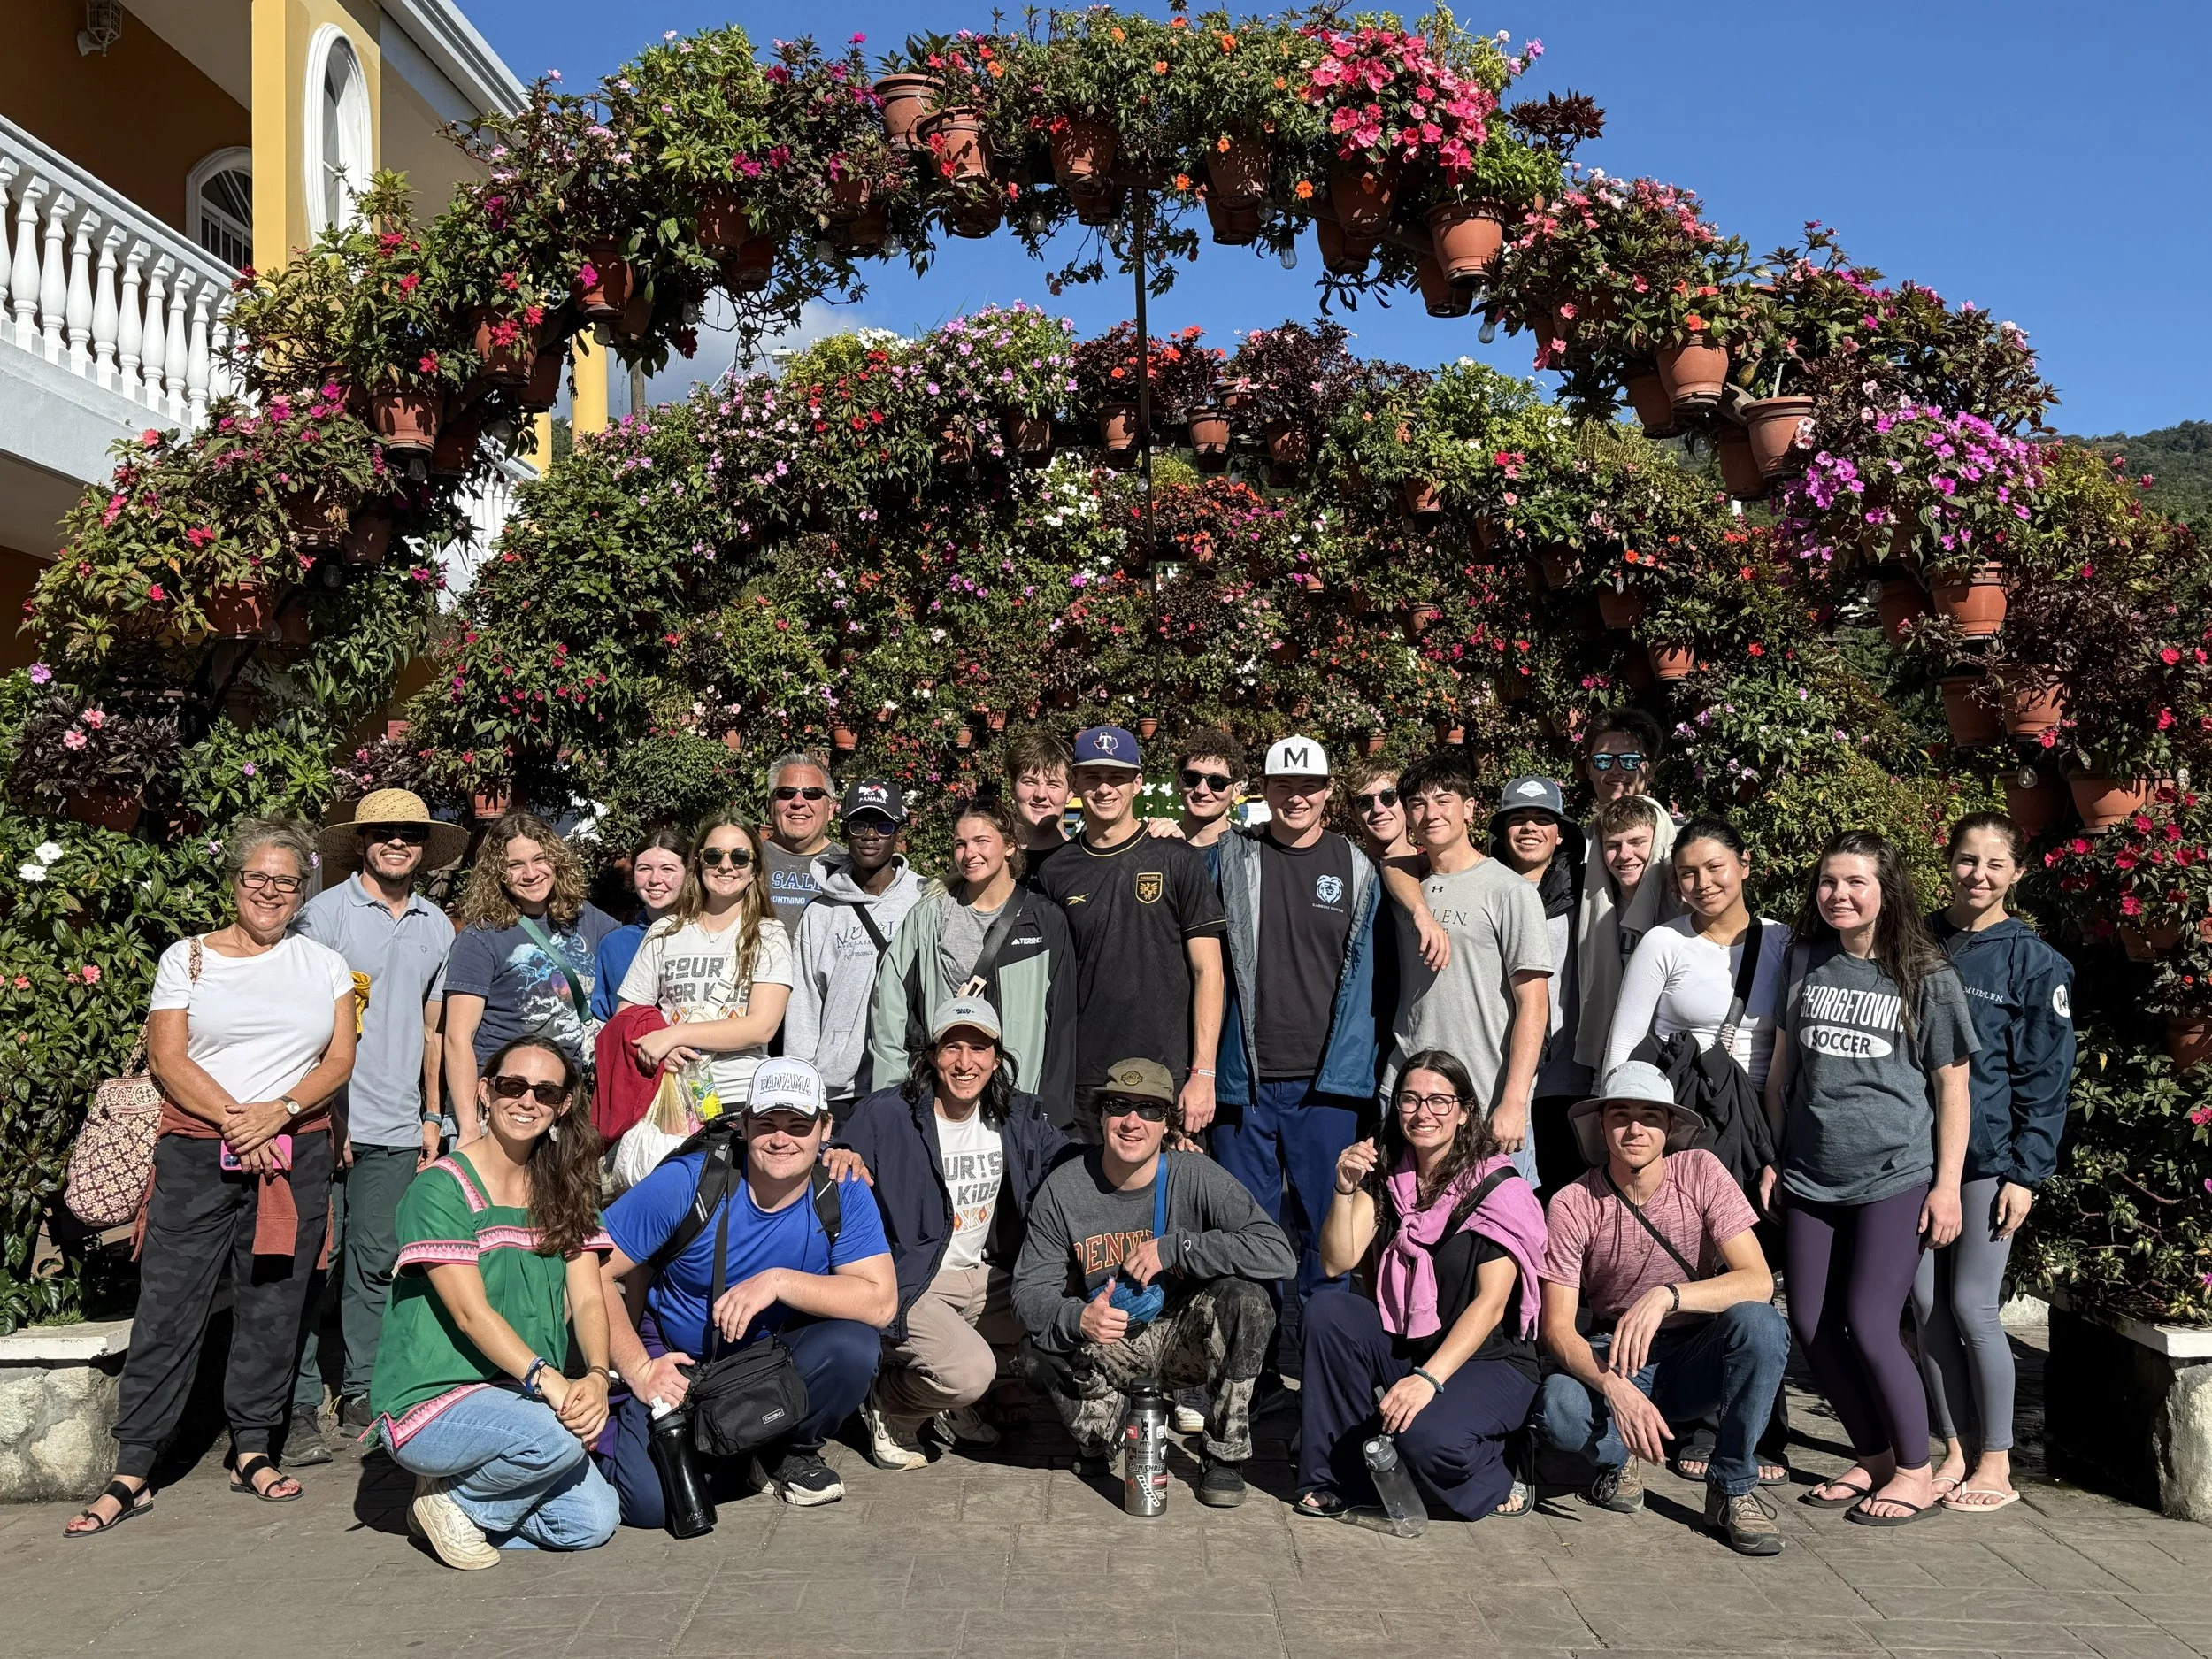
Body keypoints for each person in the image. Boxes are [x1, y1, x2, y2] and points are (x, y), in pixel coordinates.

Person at [66, 818, 357, 1536]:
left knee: (274, 1302)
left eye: (284, 881)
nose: (268, 891)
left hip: (295, 1151)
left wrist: (281, 1112)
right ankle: (134, 1466)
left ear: (300, 891)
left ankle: (252, 1448)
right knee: (171, 1301)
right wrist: (240, 1122)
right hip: (200, 1151)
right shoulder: (186, 958)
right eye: (256, 877)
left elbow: (338, 1061)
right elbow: (168, 1059)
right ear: (234, 882)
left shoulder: (325, 964)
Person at [1765, 830, 1977, 1526]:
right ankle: (1877, 1454)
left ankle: (1918, 1470)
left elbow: (1952, 1088)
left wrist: (1947, 1186)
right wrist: (1774, 1154)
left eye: (1855, 881)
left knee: (1870, 1321)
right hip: (1809, 1175)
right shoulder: (1804, 960)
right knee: (1810, 1322)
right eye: (1829, 882)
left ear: (1887, 888)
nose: (1839, 895)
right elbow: (1780, 1073)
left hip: (1896, 1174)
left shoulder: (1925, 974)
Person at [598, 1058, 896, 1516]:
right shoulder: (689, 1182)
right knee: (652, 1507)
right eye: (767, 1124)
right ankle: (738, 1452)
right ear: (742, 1124)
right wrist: (639, 1369)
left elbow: (880, 1303)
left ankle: (788, 1451)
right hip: (683, 1366)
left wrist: (777, 1282)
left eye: (799, 1124)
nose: (782, 1139)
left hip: (773, 1361)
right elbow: (588, 1268)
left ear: (826, 1128)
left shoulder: (842, 1188)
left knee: (854, 1344)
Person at [369, 1038, 619, 1568]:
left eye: (545, 1092)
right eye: (512, 1086)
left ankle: (455, 1508)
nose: (527, 1101)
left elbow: (589, 1300)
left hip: (521, 1395)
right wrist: (552, 1381)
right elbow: (469, 1314)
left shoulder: (566, 1186)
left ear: (564, 1105)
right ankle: (461, 1498)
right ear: (485, 1091)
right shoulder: (440, 1188)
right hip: (436, 1400)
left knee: (594, 1520)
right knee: (558, 1436)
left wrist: (597, 1374)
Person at [1534, 1062, 1791, 1555]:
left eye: (1650, 1116)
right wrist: (1615, 1388)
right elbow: (1557, 1330)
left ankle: (1732, 1487)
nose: (1635, 1129)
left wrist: (1668, 1295)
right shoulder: (1573, 1202)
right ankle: (1619, 1456)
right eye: (1620, 1115)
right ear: (1601, 1124)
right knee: (1558, 1408)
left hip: (1696, 1350)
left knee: (1760, 1325)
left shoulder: (1701, 1171)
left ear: (1670, 1127)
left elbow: (1758, 1282)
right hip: (1618, 1355)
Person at [1012, 1059, 1294, 1507]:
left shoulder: (1194, 1175)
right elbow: (1028, 1293)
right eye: (1120, 1105)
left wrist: (1177, 1250)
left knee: (1249, 1300)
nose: (1132, 1121)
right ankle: (1107, 1429)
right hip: (1108, 1343)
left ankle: (1224, 1456)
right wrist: (1078, 1317)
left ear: (1168, 1124)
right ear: (1101, 1114)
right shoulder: (1063, 1188)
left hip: (1186, 1338)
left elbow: (1277, 1252)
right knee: (1035, 1353)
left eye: (1150, 1110)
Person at [286, 789, 465, 1460]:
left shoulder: (436, 925)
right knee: (309, 1262)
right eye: (385, 832)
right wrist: (313, 1109)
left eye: (410, 834)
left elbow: (434, 1027)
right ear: (361, 841)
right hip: (317, 1119)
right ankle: (301, 1402)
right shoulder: (322, 915)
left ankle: (362, 1386)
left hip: (396, 1121)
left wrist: (431, 1113)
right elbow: (299, 1021)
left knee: (375, 1262)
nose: (398, 842)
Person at [1297, 1050, 1545, 1525]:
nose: (1423, 1113)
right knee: (1328, 1313)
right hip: (1413, 1339)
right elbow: (1336, 1260)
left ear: (1465, 1111)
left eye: (1438, 1101)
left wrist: (1427, 1380)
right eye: (1410, 1100)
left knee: (1425, 1439)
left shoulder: (1497, 1188)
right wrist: (1344, 1188)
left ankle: (1502, 1469)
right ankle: (1338, 1478)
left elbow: (1492, 1305)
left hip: (1490, 1358)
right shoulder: (1391, 1171)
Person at [1914, 812, 2075, 1514]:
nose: (1977, 874)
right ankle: (1953, 1446)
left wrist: (2025, 1173)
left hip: (1987, 1162)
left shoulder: (2035, 963)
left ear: (2016, 874)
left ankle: (1998, 1459)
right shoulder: (1914, 939)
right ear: (1947, 862)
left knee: (1972, 1305)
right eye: (1966, 860)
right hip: (1907, 1157)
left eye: (1993, 864)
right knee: (1920, 1306)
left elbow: (2047, 1076)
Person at [835, 997, 1070, 1469]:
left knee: (1059, 1309)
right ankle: (894, 1403)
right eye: (952, 1047)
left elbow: (1074, 1164)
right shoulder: (885, 1116)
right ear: (930, 1055)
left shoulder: (1016, 1117)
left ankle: (950, 1399)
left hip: (980, 1278)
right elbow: (836, 1153)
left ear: (997, 1058)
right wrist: (839, 1151)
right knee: (970, 1371)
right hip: (909, 1279)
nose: (966, 1062)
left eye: (979, 1048)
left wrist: (1149, 1152)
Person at [1210, 737, 1381, 1326]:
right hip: (1244, 1084)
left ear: (1329, 791)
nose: (1296, 796)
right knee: (1247, 1236)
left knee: (1326, 1237)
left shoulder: (1358, 869)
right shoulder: (1230, 858)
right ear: (1264, 787)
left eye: (1309, 785)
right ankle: (1252, 1381)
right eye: (1284, 784)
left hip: (1327, 1086)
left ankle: (1323, 1380)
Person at [1034, 725, 1228, 1131]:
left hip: (1165, 1075)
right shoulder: (1055, 871)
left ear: (1137, 783)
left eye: (1117, 777)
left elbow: (1209, 971)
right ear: (1075, 783)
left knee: (1164, 1191)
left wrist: (1203, 1074)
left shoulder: (1176, 857)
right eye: (1092, 776)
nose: (1105, 789)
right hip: (1084, 1075)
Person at [1380, 751, 1551, 1185]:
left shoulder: (1510, 891)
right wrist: (1421, 912)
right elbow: (1392, 865)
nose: (1430, 813)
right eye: (1418, 804)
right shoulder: (1409, 882)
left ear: (1470, 808)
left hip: (1484, 1099)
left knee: (1493, 1240)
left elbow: (1533, 1004)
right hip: (1409, 1098)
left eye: (1444, 800)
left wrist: (1514, 1102)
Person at [869, 795, 1078, 1119]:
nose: (969, 854)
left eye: (982, 841)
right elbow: (890, 1005)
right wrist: (891, 1098)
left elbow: (1061, 1024)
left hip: (1016, 1100)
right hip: (944, 1097)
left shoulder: (1044, 919)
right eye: (960, 843)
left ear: (1010, 846)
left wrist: (1051, 1113)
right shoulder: (930, 915)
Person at [1603, 818, 1791, 1141]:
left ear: (1744, 864)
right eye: (1687, 873)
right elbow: (1624, 1041)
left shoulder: (1784, 942)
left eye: (1715, 867)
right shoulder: (1663, 941)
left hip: (1756, 1119)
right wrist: (1616, 1121)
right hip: (1681, 1114)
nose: (1703, 883)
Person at [442, 813, 619, 1141]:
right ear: (498, 872)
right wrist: (468, 1125)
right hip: (503, 1103)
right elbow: (457, 1038)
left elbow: (639, 953)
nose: (531, 873)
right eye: (515, 865)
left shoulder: (587, 920)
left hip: (564, 1104)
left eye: (540, 859)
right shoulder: (482, 937)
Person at [617, 811, 795, 1119]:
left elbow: (762, 1027)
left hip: (738, 1098)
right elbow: (629, 1014)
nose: (726, 866)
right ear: (698, 863)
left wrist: (674, 1036)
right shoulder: (664, 932)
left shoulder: (769, 935)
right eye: (714, 856)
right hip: (667, 1094)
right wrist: (664, 1049)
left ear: (754, 870)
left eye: (740, 857)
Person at [787, 780, 926, 1116]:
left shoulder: (924, 900)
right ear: (845, 828)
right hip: (836, 1091)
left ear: (898, 832)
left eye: (883, 825)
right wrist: (803, 1086)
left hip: (908, 1077)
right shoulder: (819, 913)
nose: (870, 835)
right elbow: (804, 1005)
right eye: (859, 824)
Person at [1489, 777, 1590, 1196]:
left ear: (1559, 832)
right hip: (1499, 1070)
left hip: (1565, 1075)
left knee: (1564, 1192)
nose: (1530, 828)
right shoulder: (1486, 887)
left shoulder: (1584, 894)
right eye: (1518, 819)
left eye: (1541, 819)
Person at [1572, 710, 1678, 1079]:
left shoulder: (1675, 852)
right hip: (1594, 1038)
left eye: (1630, 760)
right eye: (1603, 760)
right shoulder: (1574, 850)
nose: (1616, 769)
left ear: (1649, 769)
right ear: (1588, 768)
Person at [591, 829, 690, 1023]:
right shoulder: (614, 945)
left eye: (667, 869)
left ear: (690, 873)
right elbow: (603, 1016)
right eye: (644, 868)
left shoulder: (709, 935)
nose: (654, 879)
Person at [760, 750, 842, 928]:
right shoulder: (743, 862)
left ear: (830, 809)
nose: (798, 802)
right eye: (786, 793)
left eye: (812, 793)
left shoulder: (851, 868)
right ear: (770, 806)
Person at [1151, 728, 1248, 859]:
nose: (1202, 790)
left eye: (1216, 782)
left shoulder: (1251, 851)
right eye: (1192, 778)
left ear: (1236, 790)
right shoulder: (1159, 847)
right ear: (1178, 781)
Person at [1004, 726, 1074, 884]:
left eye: (1053, 784)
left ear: (1070, 793)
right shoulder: (993, 859)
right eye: (1030, 782)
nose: (1040, 795)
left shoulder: (1082, 861)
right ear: (1012, 788)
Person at [1345, 760, 1415, 866]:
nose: (1378, 809)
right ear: (1354, 814)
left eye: (1388, 797)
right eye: (1364, 802)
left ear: (1406, 805)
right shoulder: (1348, 872)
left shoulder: (1435, 865)